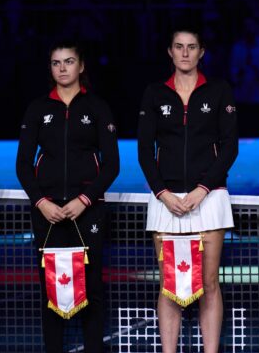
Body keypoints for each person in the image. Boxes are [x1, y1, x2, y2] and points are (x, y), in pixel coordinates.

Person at [137, 28, 238, 353]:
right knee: (170, 285)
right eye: (178, 47)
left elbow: (229, 146)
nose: (184, 53)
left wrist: (202, 189)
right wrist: (163, 194)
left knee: (209, 284)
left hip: (208, 200)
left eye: (191, 47)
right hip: (165, 202)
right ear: (169, 51)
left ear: (201, 52)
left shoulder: (219, 91)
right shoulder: (154, 93)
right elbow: (144, 150)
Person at [16, 41, 119, 353]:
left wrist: (84, 200)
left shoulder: (98, 108)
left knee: (92, 289)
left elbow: (112, 164)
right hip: (46, 212)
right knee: (51, 290)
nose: (62, 68)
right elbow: (23, 165)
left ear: (81, 66)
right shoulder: (37, 109)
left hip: (88, 212)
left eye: (68, 61)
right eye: (56, 63)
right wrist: (42, 202)